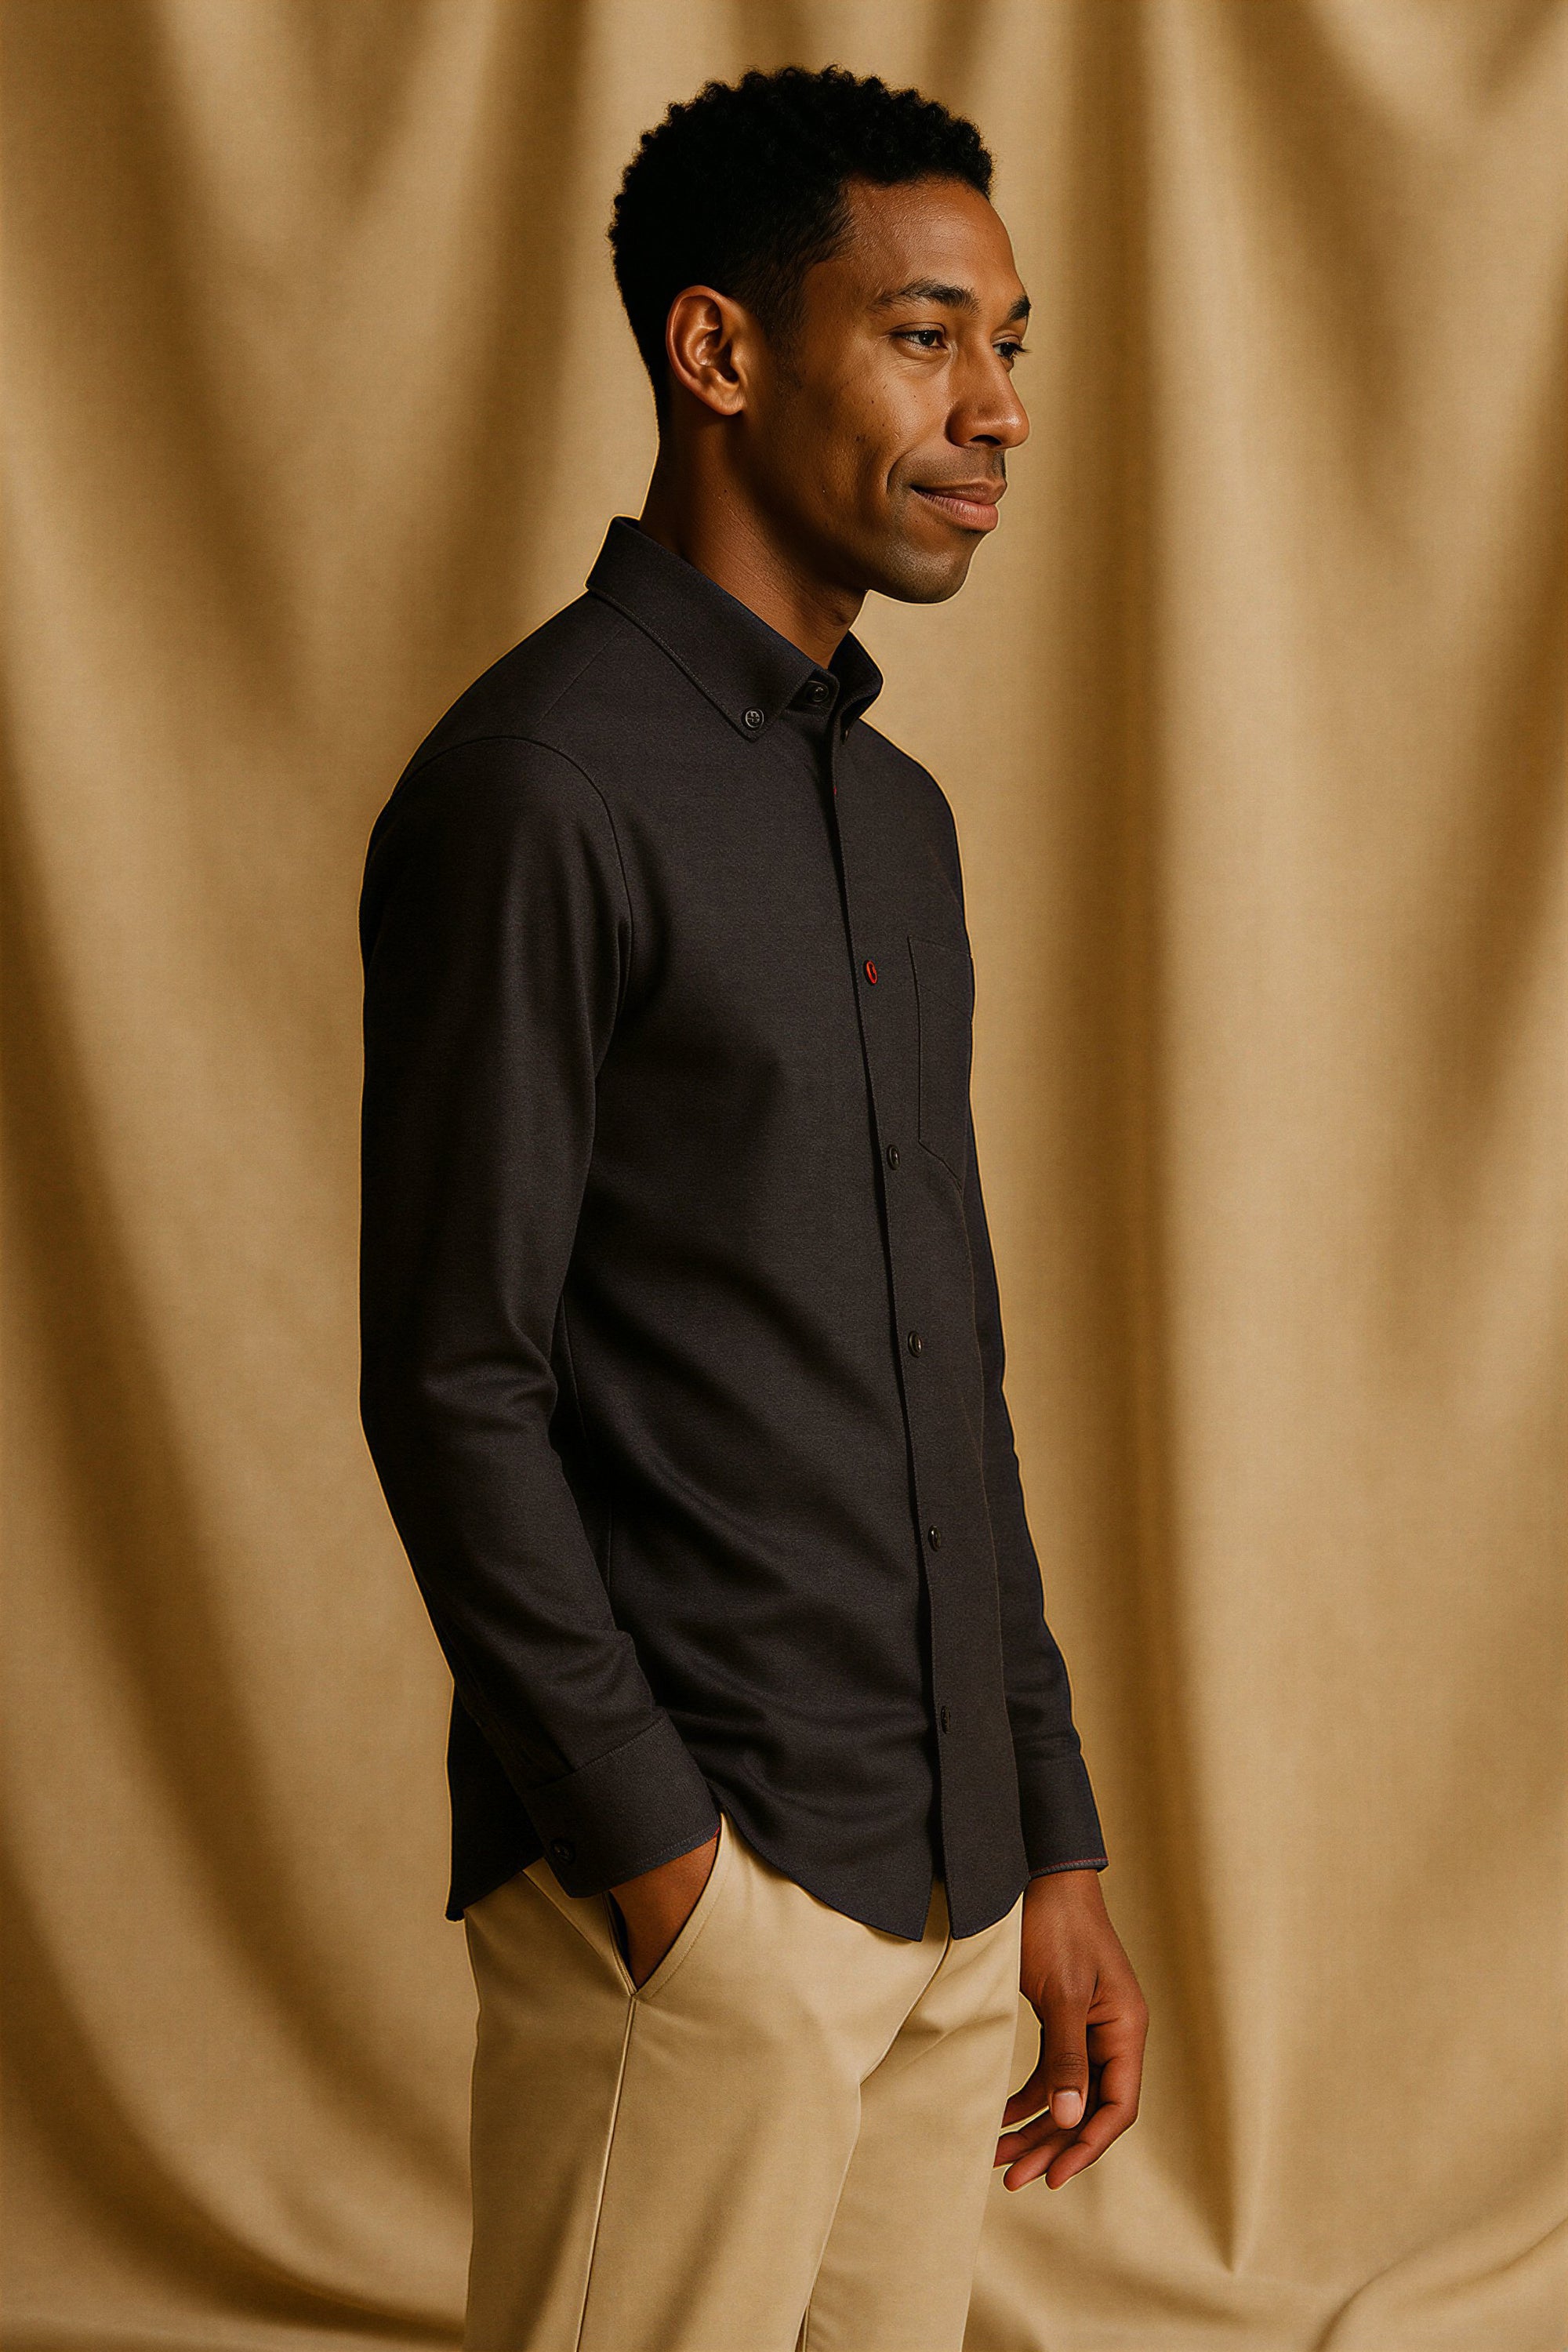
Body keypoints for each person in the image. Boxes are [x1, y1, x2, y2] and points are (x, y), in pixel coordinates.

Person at [358, 61, 1147, 2352]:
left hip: (949, 1886)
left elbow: (940, 1360)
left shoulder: (900, 824)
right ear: (716, 351)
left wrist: (1049, 1836)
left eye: (1010, 343)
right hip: (708, 1894)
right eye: (924, 335)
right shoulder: (536, 789)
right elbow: (455, 1378)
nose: (997, 410)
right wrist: (662, 1868)